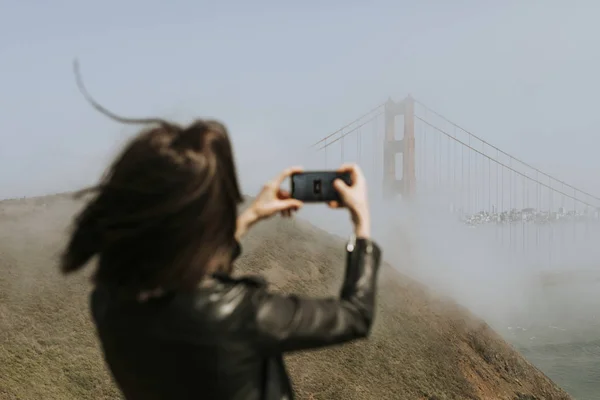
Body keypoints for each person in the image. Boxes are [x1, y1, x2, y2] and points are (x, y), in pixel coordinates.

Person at [61, 65, 382, 400]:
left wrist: (250, 217)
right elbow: (355, 316)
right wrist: (362, 224)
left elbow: (183, 274)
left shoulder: (109, 301)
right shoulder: (239, 312)